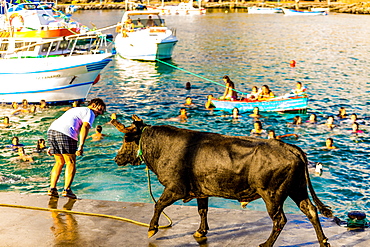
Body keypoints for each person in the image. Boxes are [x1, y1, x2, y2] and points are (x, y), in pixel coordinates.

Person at [47, 98, 106, 199]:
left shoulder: (74, 109)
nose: (99, 113)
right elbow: (85, 127)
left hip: (52, 131)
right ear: (95, 105)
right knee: (71, 162)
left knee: (59, 162)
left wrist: (52, 144)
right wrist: (81, 145)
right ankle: (67, 190)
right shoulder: (89, 112)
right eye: (100, 110)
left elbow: (64, 122)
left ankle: (52, 189)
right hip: (66, 134)